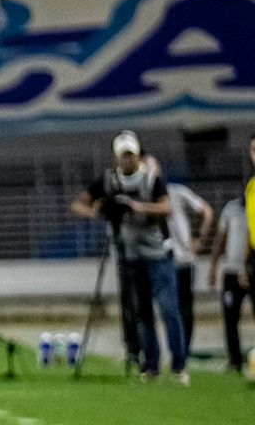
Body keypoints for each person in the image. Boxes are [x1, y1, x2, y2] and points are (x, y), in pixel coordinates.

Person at [71, 131, 188, 384]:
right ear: (117, 157)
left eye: (131, 156)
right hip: (129, 255)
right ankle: (151, 366)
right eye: (123, 156)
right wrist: (99, 212)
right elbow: (79, 204)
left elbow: (167, 208)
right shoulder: (109, 181)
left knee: (169, 309)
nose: (127, 161)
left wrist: (137, 206)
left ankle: (179, 364)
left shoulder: (150, 180)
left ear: (137, 155)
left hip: (157, 253)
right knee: (141, 313)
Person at [165, 180, 213, 352]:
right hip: (159, 261)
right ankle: (175, 350)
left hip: (182, 260)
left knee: (183, 307)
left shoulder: (176, 191)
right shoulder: (142, 195)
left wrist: (199, 239)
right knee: (168, 308)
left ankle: (184, 350)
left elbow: (207, 211)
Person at [209, 192, 251, 373]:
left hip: (251, 270)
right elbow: (221, 238)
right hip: (232, 272)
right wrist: (214, 267)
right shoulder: (231, 209)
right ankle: (235, 361)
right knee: (230, 318)